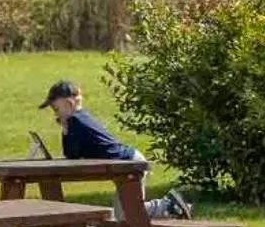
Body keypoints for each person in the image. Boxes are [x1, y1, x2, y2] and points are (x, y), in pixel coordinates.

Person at [39, 79, 192, 219]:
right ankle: (169, 206)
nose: (55, 114)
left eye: (56, 109)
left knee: (127, 214)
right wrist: (66, 129)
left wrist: (65, 128)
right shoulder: (78, 118)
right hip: (128, 163)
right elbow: (73, 154)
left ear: (69, 103)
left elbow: (71, 155)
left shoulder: (75, 121)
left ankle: (169, 205)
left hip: (130, 165)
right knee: (125, 213)